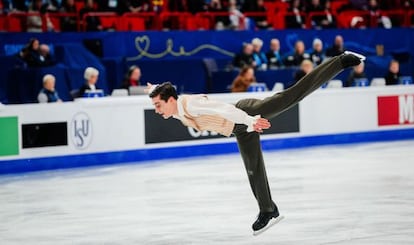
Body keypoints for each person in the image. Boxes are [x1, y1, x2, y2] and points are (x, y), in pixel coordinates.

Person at [146, 51, 365, 234]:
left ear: (171, 100)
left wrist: (251, 121)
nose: (157, 110)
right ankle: (268, 210)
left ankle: (341, 61)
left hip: (245, 113)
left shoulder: (191, 105)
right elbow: (164, 91)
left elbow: (224, 110)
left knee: (292, 95)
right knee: (253, 168)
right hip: (239, 127)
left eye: (158, 105)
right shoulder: (174, 108)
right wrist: (152, 89)